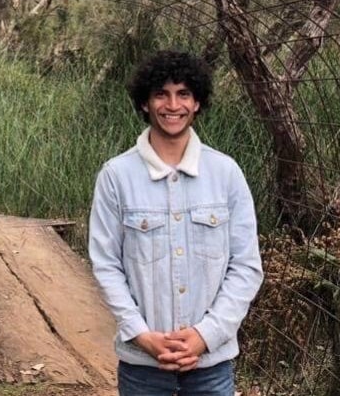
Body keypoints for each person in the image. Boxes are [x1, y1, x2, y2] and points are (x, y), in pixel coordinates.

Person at [89, 51, 263, 395]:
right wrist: (141, 335)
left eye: (183, 94)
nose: (173, 105)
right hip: (142, 367)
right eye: (161, 94)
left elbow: (246, 267)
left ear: (197, 102)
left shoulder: (226, 173)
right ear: (144, 104)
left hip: (211, 366)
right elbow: (106, 265)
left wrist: (205, 335)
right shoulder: (116, 176)